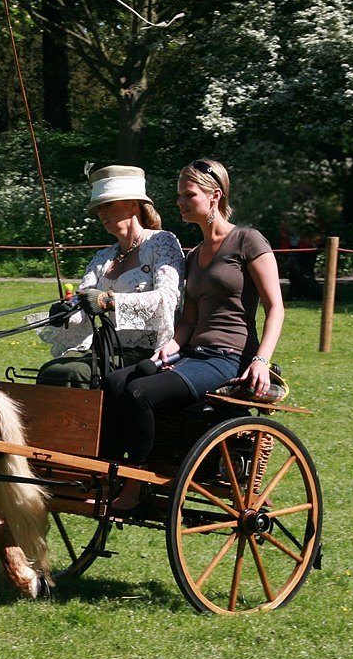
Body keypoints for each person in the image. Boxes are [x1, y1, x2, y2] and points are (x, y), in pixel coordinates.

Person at [100, 159, 286, 510]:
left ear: (214, 196)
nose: (180, 202)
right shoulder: (194, 254)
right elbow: (187, 319)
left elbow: (276, 307)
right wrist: (167, 349)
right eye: (178, 195)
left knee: (139, 393)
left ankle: (136, 482)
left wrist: (261, 360)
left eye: (189, 195)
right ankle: (105, 471)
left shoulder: (248, 241)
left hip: (228, 359)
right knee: (114, 382)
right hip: (193, 354)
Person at [36, 164, 184, 388]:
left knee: (71, 373)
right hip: (104, 349)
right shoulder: (103, 257)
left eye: (108, 205)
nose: (101, 213)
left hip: (147, 353)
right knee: (51, 370)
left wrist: (109, 301)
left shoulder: (162, 242)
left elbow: (167, 299)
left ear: (133, 204)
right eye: (98, 209)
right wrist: (66, 313)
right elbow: (84, 302)